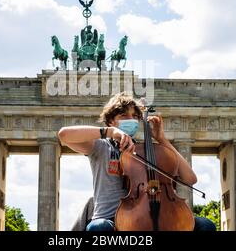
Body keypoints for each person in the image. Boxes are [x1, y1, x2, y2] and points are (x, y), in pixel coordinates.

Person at [58, 92, 216, 231]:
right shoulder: (101, 148)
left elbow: (190, 179)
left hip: (147, 216)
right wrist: (110, 132)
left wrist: (162, 140)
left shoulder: (147, 151)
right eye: (124, 116)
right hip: (110, 219)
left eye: (135, 116)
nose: (131, 119)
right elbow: (64, 135)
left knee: (206, 225)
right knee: (99, 228)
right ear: (111, 121)